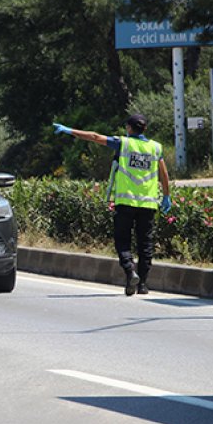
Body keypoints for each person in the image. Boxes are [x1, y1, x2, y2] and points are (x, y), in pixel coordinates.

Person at [51, 114, 171, 296]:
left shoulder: (123, 143)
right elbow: (164, 173)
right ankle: (144, 284)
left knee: (122, 240)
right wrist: (166, 196)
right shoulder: (155, 148)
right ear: (144, 129)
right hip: (148, 204)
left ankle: (130, 270)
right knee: (145, 244)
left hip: (126, 202)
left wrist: (70, 131)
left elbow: (94, 137)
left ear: (129, 128)